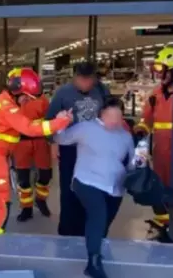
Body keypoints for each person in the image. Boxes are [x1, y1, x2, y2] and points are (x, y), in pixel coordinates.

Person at [0, 67, 73, 235]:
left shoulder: (8, 101)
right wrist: (61, 122)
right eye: (26, 98)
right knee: (1, 198)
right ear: (16, 91)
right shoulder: (7, 106)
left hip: (0, 152)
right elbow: (28, 127)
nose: (27, 102)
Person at [54, 97, 134, 278]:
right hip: (86, 181)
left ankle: (94, 247)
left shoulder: (125, 136)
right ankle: (93, 262)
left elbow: (131, 164)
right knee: (98, 213)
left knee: (103, 223)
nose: (115, 120)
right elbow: (61, 138)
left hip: (115, 186)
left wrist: (140, 166)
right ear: (101, 115)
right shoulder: (86, 128)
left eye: (118, 116)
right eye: (111, 116)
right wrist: (60, 122)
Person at [46, 62, 110, 237]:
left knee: (92, 188)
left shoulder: (101, 91)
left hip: (94, 150)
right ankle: (67, 230)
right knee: (69, 189)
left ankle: (88, 228)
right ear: (74, 78)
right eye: (81, 80)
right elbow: (50, 119)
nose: (85, 84)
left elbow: (110, 113)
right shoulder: (63, 94)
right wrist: (53, 142)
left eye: (89, 80)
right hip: (70, 149)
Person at [133, 45, 173, 243]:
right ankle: (164, 225)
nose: (159, 75)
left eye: (162, 70)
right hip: (159, 151)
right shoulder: (154, 94)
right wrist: (140, 129)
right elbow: (146, 119)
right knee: (157, 188)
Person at [7, 68, 53, 222]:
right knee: (23, 179)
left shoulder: (43, 101)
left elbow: (49, 121)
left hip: (40, 141)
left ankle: (41, 200)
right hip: (20, 143)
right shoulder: (12, 101)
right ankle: (26, 208)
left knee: (46, 175)